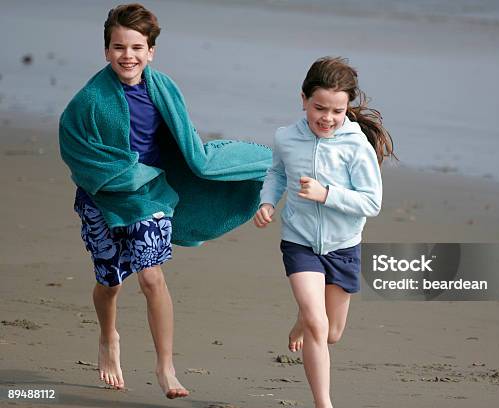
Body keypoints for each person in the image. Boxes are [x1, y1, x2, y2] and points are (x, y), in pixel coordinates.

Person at [59, 3, 270, 399]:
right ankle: (108, 338)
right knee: (109, 282)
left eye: (137, 47)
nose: (128, 55)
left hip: (153, 193)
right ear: (106, 51)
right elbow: (74, 145)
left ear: (151, 51)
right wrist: (119, 173)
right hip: (104, 197)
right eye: (119, 47)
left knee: (152, 276)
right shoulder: (89, 100)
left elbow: (186, 141)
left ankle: (166, 366)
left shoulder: (164, 88)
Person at [254, 56, 394, 408]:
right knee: (319, 325)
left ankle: (304, 316)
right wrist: (267, 202)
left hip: (343, 246)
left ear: (347, 107)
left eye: (337, 111)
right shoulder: (286, 137)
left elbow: (371, 203)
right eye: (319, 108)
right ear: (303, 99)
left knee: (331, 333)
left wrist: (326, 194)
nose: (327, 118)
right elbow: (276, 174)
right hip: (300, 242)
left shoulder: (356, 145)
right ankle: (323, 403)